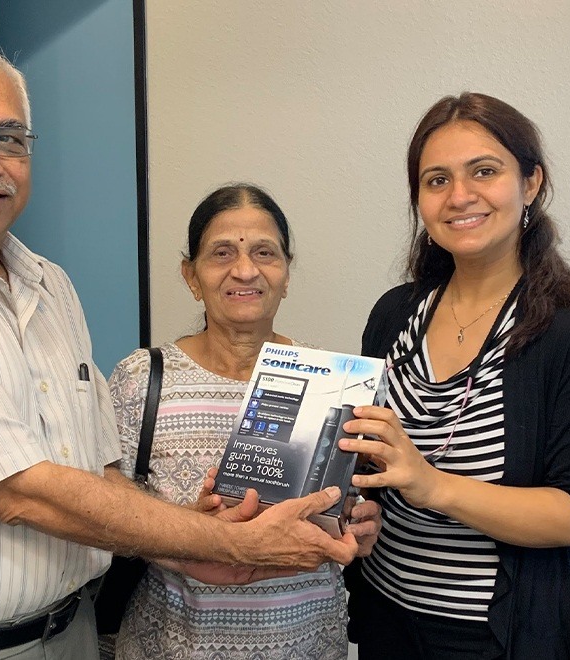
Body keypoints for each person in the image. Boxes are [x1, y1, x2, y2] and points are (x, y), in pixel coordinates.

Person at [0, 27, 357, 660]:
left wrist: (188, 547)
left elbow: (98, 474)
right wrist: (227, 544)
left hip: (71, 633)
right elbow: (15, 489)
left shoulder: (48, 286)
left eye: (8, 138)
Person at [338, 93, 570, 659]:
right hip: (388, 616)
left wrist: (432, 486)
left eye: (485, 171)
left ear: (532, 183)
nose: (460, 196)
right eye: (437, 180)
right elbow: (368, 459)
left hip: (501, 635)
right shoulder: (396, 313)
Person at [107, 184, 382, 659]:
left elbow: (353, 508)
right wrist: (185, 535)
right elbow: (103, 511)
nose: (245, 269)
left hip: (307, 644)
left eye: (263, 252)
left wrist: (363, 524)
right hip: (173, 645)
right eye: (222, 253)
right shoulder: (141, 379)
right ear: (191, 276)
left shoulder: (338, 383)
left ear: (286, 272)